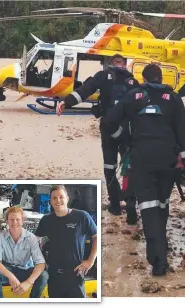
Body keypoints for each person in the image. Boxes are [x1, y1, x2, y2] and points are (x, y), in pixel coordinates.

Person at [102, 64, 185, 276]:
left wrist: (124, 140)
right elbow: (184, 134)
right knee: (162, 205)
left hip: (142, 161)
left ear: (143, 78)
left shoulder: (133, 96)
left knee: (149, 208)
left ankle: (158, 260)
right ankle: (160, 253)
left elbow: (108, 122)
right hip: (168, 162)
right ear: (161, 78)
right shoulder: (173, 99)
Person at [57, 54, 139, 219]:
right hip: (127, 129)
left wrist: (66, 102)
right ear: (125, 65)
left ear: (110, 64)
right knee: (129, 167)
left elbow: (84, 91)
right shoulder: (133, 82)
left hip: (108, 127)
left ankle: (115, 205)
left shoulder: (103, 76)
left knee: (109, 166)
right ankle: (131, 204)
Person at [35, 185, 98, 298]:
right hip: (54, 276)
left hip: (75, 274)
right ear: (50, 201)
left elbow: (96, 237)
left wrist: (90, 261)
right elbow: (34, 241)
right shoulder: (46, 220)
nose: (58, 200)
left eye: (61, 197)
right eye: (54, 198)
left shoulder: (82, 216)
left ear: (67, 199)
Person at [0, 206, 48, 298]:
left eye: (18, 219)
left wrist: (28, 282)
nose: (14, 222)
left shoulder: (31, 238)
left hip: (24, 270)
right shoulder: (0, 237)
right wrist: (11, 276)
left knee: (44, 275)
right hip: (7, 271)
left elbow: (41, 263)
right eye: (11, 219)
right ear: (7, 221)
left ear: (22, 221)